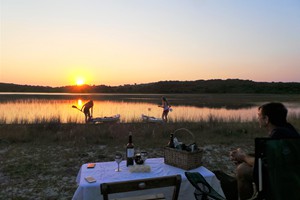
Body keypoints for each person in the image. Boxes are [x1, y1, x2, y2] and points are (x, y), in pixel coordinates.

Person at [229, 102, 299, 200]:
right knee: (244, 164)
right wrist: (245, 156)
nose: (258, 118)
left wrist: (243, 157)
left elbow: (261, 162)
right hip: (291, 173)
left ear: (266, 119)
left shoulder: (277, 136)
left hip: (280, 177)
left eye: (259, 116)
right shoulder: (288, 129)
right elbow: (269, 156)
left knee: (242, 169)